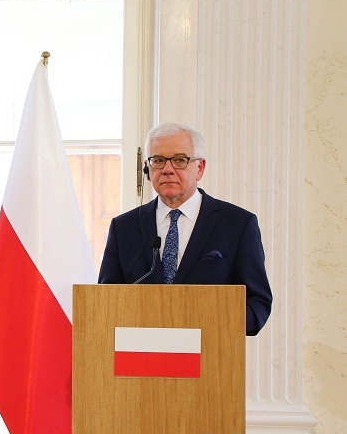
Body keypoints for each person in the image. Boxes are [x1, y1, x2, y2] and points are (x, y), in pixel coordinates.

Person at [98, 121, 272, 336]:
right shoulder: (124, 228)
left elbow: (257, 304)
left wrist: (207, 321)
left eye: (180, 160)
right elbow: (106, 302)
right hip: (141, 351)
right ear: (147, 169)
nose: (167, 170)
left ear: (200, 168)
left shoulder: (237, 224)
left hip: (211, 350)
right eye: (158, 160)